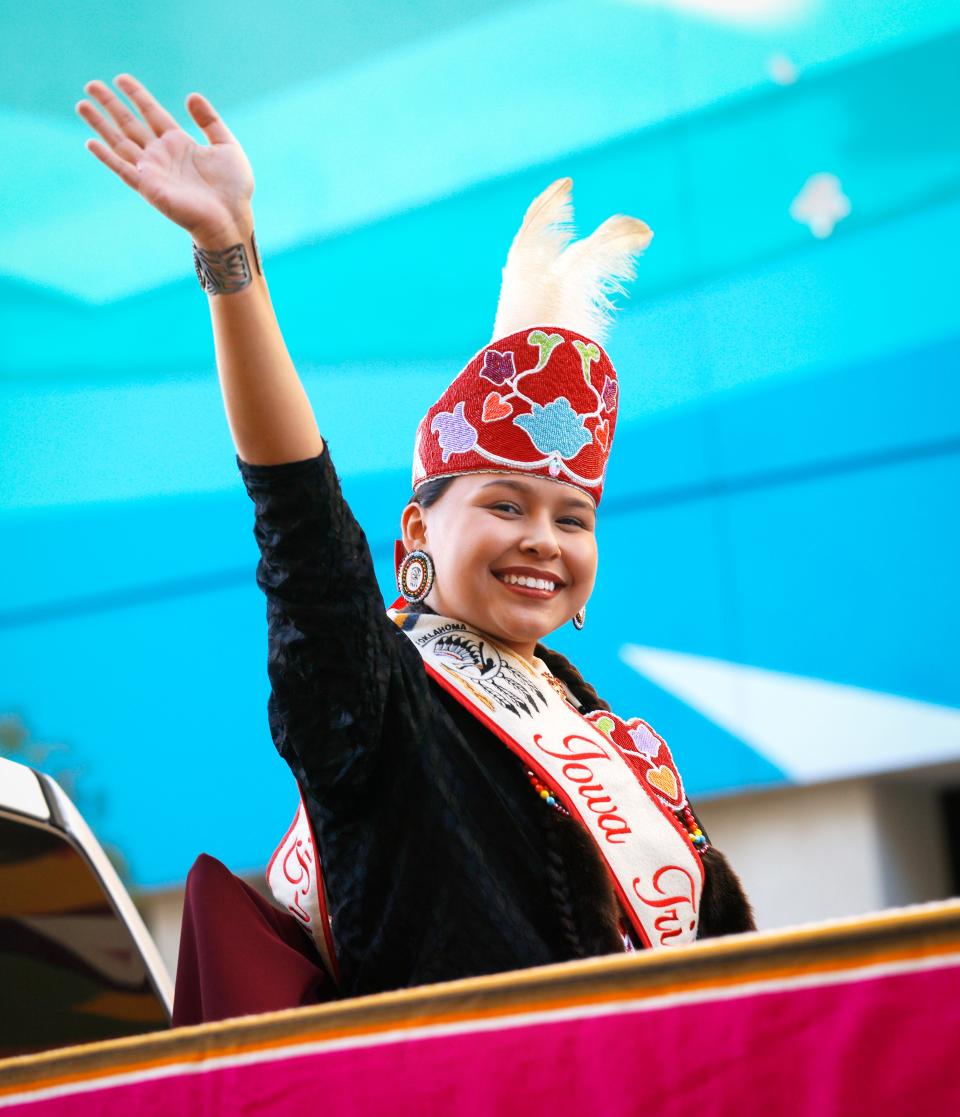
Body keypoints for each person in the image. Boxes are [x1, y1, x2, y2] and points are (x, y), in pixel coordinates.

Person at [77, 74, 755, 1024]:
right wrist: (229, 254)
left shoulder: (626, 756)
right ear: (416, 532)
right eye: (505, 504)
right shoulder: (373, 702)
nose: (541, 541)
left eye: (572, 518)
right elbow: (301, 523)